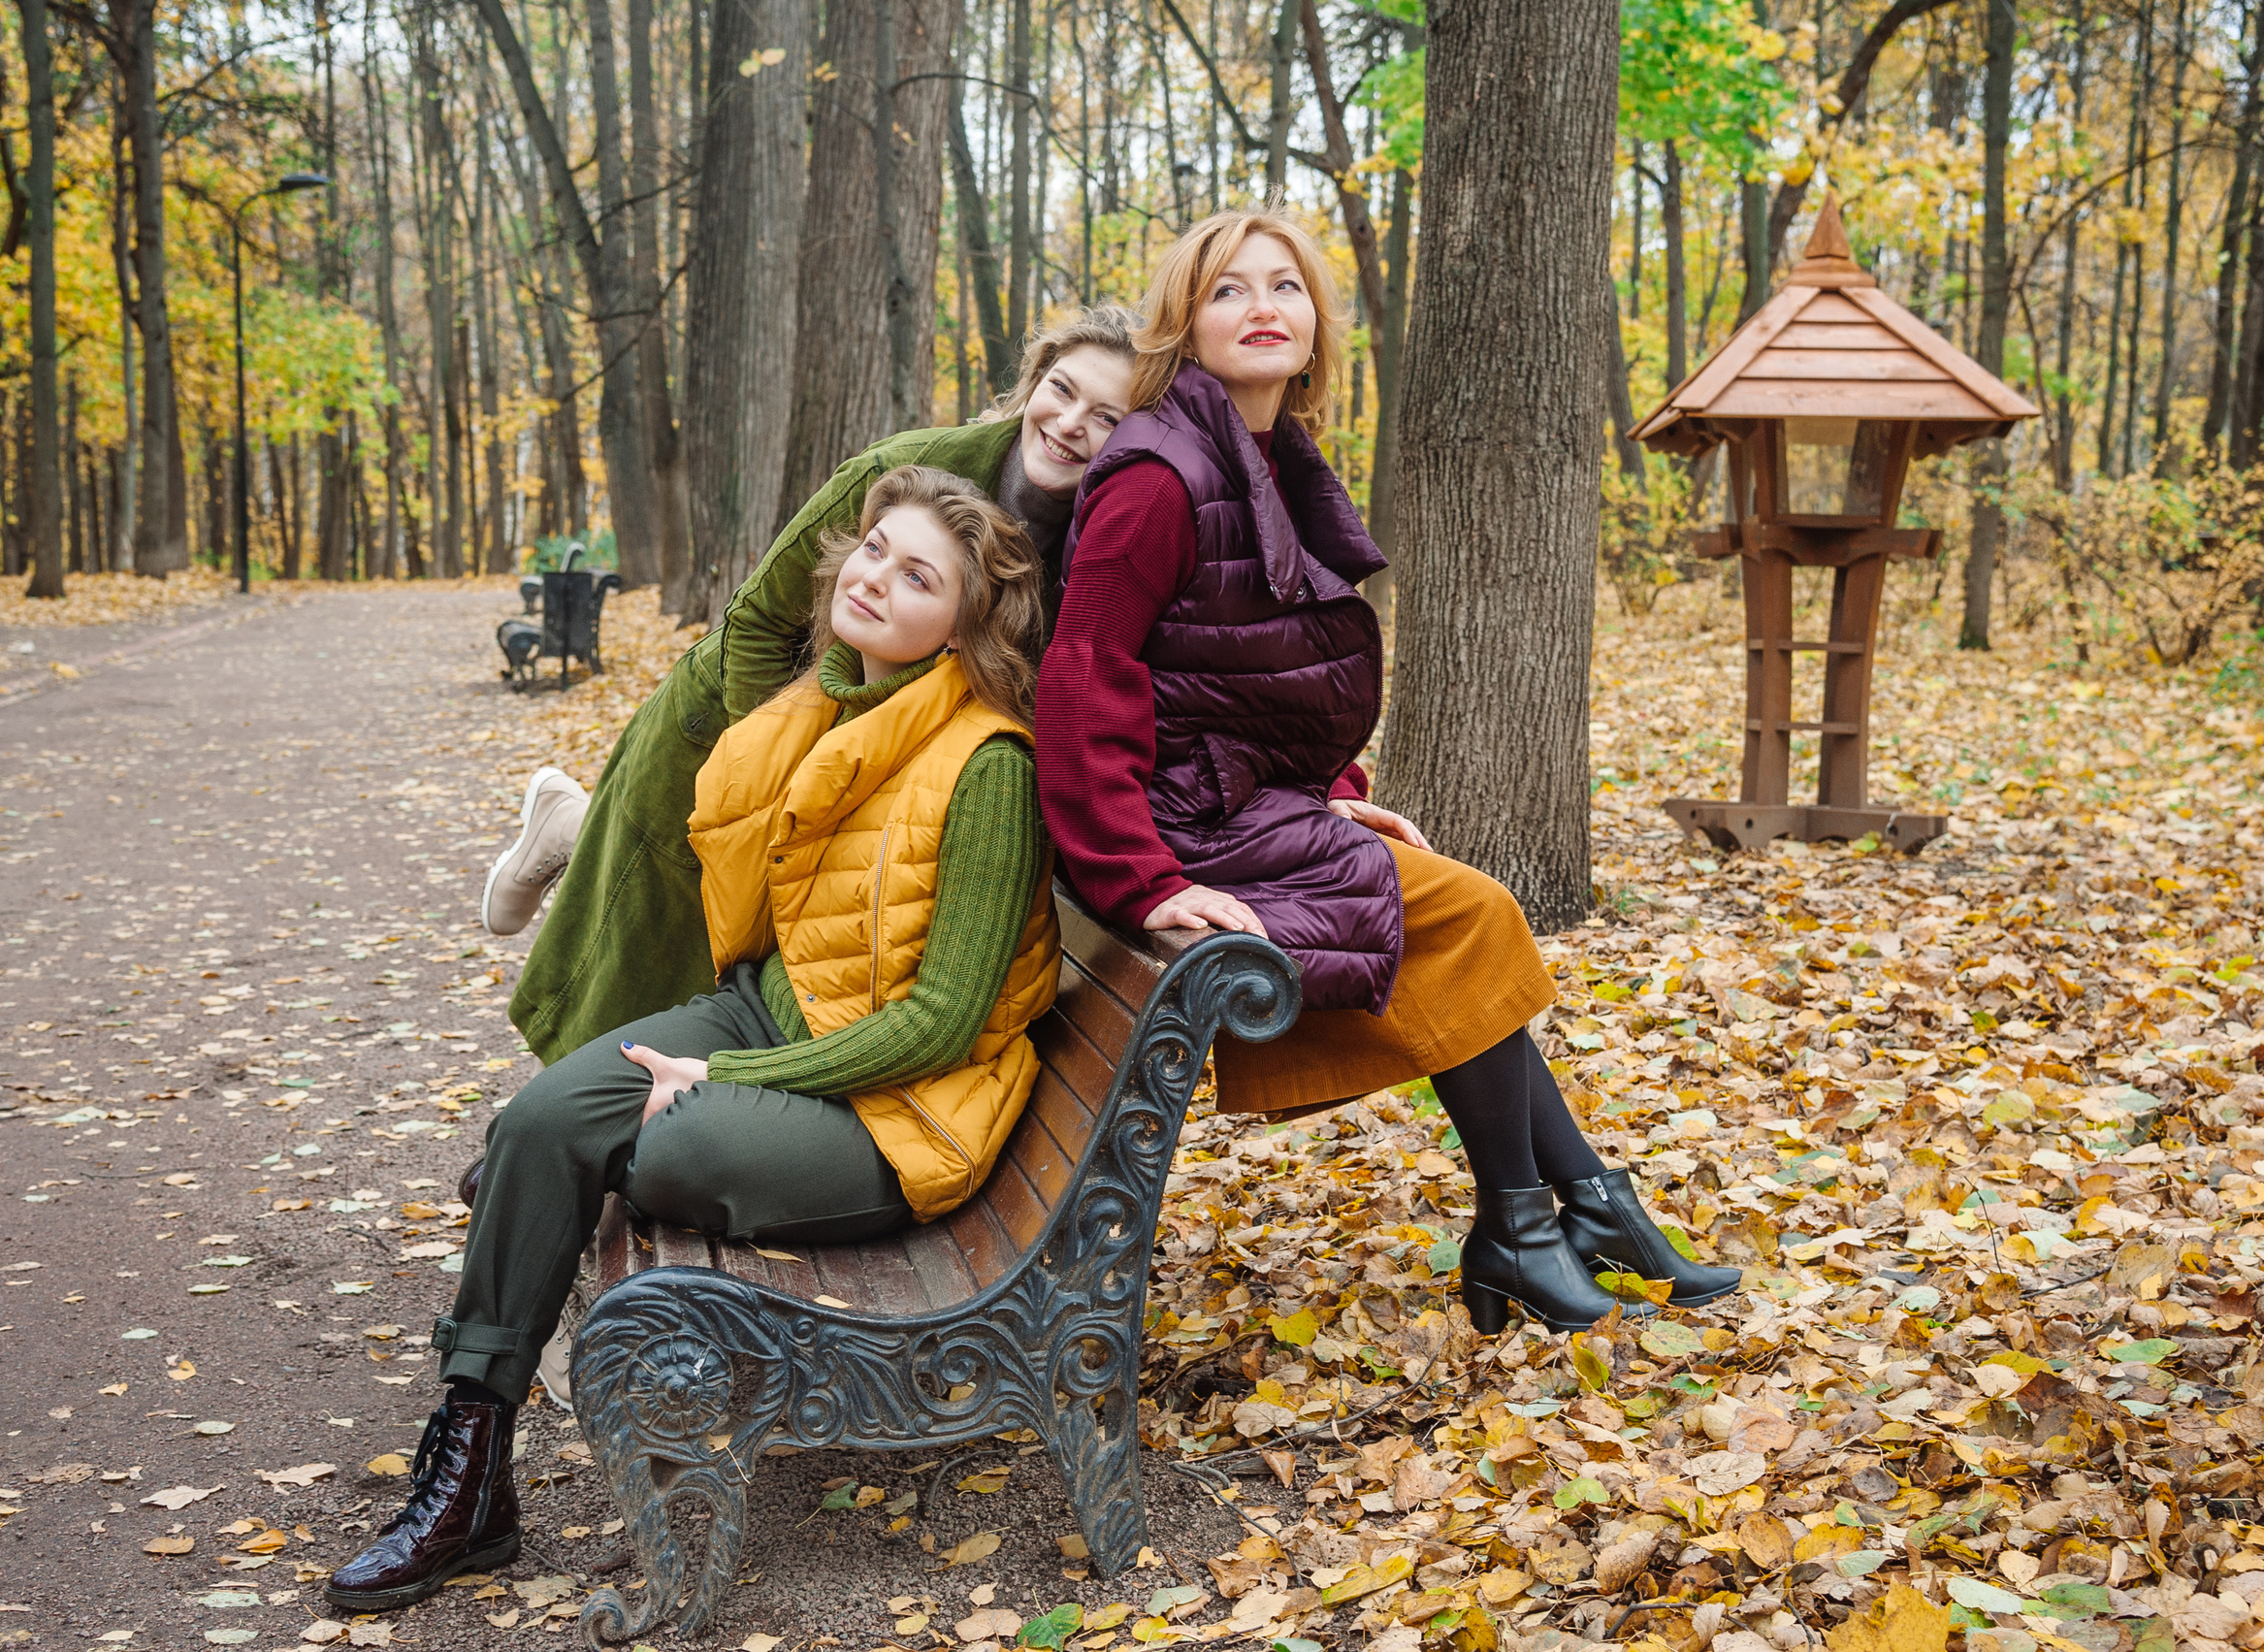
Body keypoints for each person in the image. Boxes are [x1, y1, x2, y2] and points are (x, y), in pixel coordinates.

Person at [329, 468, 1059, 1609]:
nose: (875, 576)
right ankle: (470, 1467)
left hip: (900, 1111)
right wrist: (727, 1046)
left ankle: (543, 1215)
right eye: (873, 548)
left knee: (660, 1150)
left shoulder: (988, 765)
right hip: (770, 1018)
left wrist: (727, 1069)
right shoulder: (823, 710)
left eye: (919, 575)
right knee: (533, 1123)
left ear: (964, 622)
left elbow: (940, 1023)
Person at [1034, 209, 1740, 1335]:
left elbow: (1254, 672)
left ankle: (1571, 1209)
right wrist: (1143, 878)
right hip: (1182, 831)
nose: (1261, 306)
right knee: (1472, 913)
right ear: (1183, 320)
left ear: (1316, 325)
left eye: (1285, 286)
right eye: (1227, 290)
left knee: (1452, 916)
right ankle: (1541, 1216)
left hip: (1240, 803)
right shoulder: (1159, 471)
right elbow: (1085, 677)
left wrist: (1332, 795)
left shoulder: (1263, 453)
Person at [486, 309, 1138, 1071]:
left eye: (1107, 418)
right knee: (651, 953)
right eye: (1061, 390)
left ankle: (573, 825)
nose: (1069, 423)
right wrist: (783, 773)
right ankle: (553, 1131)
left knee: (752, 972)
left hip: (868, 756)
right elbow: (756, 622)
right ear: (1035, 380)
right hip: (741, 716)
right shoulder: (908, 466)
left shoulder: (1101, 540)